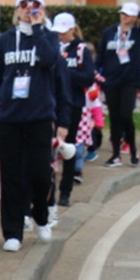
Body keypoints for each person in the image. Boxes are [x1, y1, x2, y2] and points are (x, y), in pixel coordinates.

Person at [0, 0, 70, 252]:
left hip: (40, 118)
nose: (29, 9)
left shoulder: (49, 38)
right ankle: (12, 232)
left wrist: (39, 29)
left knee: (40, 174)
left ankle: (41, 216)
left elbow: (51, 62)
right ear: (16, 9)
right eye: (24, 5)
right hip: (8, 118)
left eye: (35, 5)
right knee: (12, 176)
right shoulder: (6, 41)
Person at [96, 0, 140, 169]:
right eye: (123, 13)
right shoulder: (109, 32)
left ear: (134, 17)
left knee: (125, 115)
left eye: (128, 14)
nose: (124, 17)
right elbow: (101, 54)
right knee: (114, 118)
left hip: (129, 81)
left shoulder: (138, 33)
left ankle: (133, 151)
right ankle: (115, 154)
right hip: (111, 80)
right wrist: (95, 71)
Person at [51, 12, 94, 207]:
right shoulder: (50, 46)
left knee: (69, 147)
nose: (59, 35)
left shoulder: (81, 49)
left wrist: (65, 73)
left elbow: (87, 77)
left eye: (63, 32)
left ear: (72, 30)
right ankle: (46, 192)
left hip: (73, 105)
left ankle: (65, 191)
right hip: (51, 103)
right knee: (48, 149)